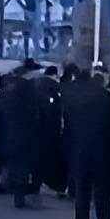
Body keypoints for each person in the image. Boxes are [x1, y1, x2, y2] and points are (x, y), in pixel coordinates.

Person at [61, 68, 110, 219]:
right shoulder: (103, 95)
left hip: (78, 148)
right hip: (100, 148)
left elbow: (66, 126)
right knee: (101, 189)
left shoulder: (70, 97)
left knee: (82, 189)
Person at [0, 65, 44, 208]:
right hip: (27, 138)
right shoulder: (32, 99)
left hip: (12, 135)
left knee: (17, 165)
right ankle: (25, 193)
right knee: (25, 166)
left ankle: (17, 191)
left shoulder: (9, 97)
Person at [40, 66, 67, 196]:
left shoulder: (35, 84)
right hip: (53, 128)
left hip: (39, 128)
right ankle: (54, 185)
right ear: (55, 75)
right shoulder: (54, 86)